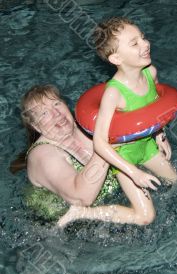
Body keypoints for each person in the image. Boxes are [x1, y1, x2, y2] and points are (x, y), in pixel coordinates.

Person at [10, 85, 163, 227]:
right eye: (44, 113)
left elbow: (131, 118)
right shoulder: (43, 155)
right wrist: (108, 144)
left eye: (56, 104)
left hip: (108, 207)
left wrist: (157, 132)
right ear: (36, 126)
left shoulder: (86, 124)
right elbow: (81, 198)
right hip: (65, 228)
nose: (56, 113)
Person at [91, 17, 177, 216]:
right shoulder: (114, 94)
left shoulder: (151, 73)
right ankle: (81, 212)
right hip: (124, 155)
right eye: (135, 43)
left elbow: (155, 109)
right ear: (116, 59)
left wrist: (160, 134)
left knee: (176, 183)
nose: (146, 43)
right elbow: (99, 142)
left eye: (143, 37)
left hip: (146, 144)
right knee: (146, 217)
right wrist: (133, 172)